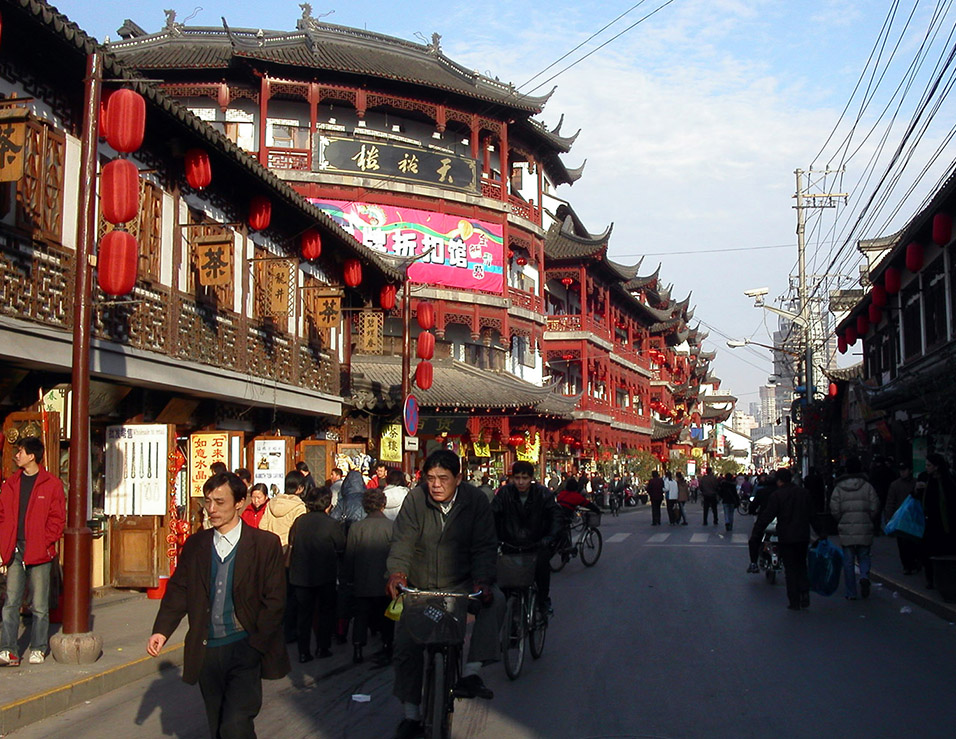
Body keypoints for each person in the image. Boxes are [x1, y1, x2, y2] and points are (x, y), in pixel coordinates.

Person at [147, 471, 289, 738]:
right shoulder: (197, 545)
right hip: (207, 647)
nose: (211, 509)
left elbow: (275, 601)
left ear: (240, 503)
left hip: (244, 645)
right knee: (217, 723)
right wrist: (162, 630)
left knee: (236, 723)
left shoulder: (264, 545)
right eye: (208, 502)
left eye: (220, 502)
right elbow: (179, 589)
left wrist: (256, 645)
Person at [386, 450, 504, 739]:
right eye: (430, 478)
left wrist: (483, 581)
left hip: (462, 583)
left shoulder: (475, 501)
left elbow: (485, 546)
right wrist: (397, 573)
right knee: (405, 643)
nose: (436, 485)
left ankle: (472, 671)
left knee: (497, 600)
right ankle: (411, 715)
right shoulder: (415, 500)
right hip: (420, 585)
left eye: (443, 478)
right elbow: (402, 541)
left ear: (458, 479)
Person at [0, 437, 66, 666]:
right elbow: (2, 516)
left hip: (39, 551)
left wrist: (45, 542)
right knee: (11, 602)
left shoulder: (51, 484)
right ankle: (8, 650)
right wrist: (4, 544)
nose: (16, 455)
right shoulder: (11, 483)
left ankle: (38, 647)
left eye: (20, 451)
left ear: (32, 456)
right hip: (15, 549)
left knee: (39, 605)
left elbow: (58, 518)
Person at [491, 461, 563, 614]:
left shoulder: (543, 494)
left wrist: (550, 537)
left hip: (536, 544)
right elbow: (492, 515)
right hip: (510, 545)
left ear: (531, 478)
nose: (521, 482)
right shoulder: (504, 493)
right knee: (506, 582)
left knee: (542, 571)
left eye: (524, 478)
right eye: (517, 478)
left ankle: (543, 601)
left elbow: (556, 516)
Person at [749, 468, 821, 610]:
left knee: (790, 568)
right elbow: (813, 515)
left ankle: (794, 600)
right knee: (801, 565)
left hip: (786, 536)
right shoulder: (803, 493)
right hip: (802, 535)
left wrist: (757, 531)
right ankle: (804, 593)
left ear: (779, 480)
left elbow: (767, 515)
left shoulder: (778, 495)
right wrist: (821, 533)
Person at [288, 486, 345, 662]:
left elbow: (291, 542)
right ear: (328, 504)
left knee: (304, 615)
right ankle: (323, 646)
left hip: (301, 574)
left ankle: (303, 651)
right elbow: (341, 546)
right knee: (325, 612)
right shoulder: (332, 524)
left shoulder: (300, 521)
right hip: (325, 574)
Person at [342, 489, 394, 665]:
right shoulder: (392, 527)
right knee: (386, 616)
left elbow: (349, 556)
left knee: (361, 616)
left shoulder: (356, 528)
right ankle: (387, 645)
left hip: (362, 580)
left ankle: (358, 648)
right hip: (385, 580)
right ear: (383, 505)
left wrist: (347, 579)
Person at [830, 456, 880, 600]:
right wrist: (868, 517)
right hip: (864, 526)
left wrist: (841, 519)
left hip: (846, 528)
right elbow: (874, 505)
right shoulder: (867, 486)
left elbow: (834, 508)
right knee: (864, 555)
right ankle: (864, 576)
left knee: (848, 561)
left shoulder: (839, 487)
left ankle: (851, 592)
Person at [920, 453, 956, 590]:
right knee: (928, 553)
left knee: (945, 552)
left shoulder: (948, 481)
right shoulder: (926, 480)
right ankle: (931, 579)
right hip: (931, 523)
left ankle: (945, 579)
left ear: (937, 467)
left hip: (946, 524)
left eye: (929, 465)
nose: (927, 468)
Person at [885, 461, 920, 574]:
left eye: (904, 470)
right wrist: (889, 517)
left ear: (909, 471)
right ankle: (907, 565)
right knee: (903, 544)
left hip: (913, 516)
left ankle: (913, 563)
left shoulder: (915, 483)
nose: (902, 473)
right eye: (901, 470)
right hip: (900, 518)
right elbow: (891, 501)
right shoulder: (895, 485)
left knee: (913, 542)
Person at [259, 471, 307, 551]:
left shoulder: (272, 502)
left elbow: (262, 526)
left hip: (269, 547)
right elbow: (299, 532)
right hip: (287, 549)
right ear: (300, 488)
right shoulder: (299, 507)